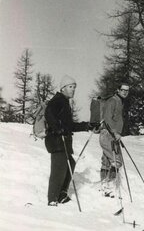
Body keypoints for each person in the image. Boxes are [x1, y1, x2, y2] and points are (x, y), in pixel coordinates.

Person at [45, 75, 99, 206]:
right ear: (63, 88)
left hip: (64, 141)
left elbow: (70, 126)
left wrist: (88, 126)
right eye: (70, 87)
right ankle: (52, 199)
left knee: (70, 164)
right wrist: (58, 129)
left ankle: (61, 193)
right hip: (57, 141)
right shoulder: (57, 100)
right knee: (59, 168)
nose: (73, 90)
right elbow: (48, 113)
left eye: (74, 87)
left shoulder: (65, 102)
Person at [99, 83, 129, 196]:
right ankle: (109, 186)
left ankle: (104, 186)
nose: (125, 92)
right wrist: (115, 132)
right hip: (108, 134)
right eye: (123, 90)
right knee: (116, 161)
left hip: (111, 135)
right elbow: (107, 118)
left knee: (107, 161)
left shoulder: (119, 101)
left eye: (127, 90)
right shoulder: (113, 101)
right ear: (118, 90)